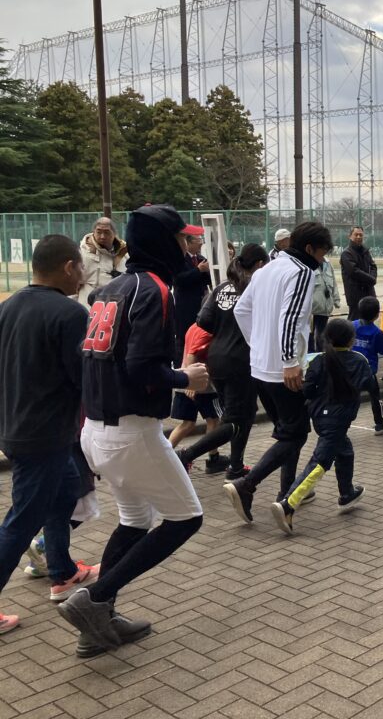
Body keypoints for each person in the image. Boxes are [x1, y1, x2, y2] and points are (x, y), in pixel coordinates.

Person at [61, 205, 208, 654]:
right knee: (186, 518)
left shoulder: (112, 287)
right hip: (131, 432)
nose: (186, 247)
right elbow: (141, 366)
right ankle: (95, 598)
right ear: (163, 242)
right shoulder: (153, 288)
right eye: (181, 238)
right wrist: (185, 377)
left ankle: (98, 622)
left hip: (97, 429)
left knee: (135, 520)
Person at [0, 236, 96, 636]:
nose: (83, 274)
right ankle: (55, 569)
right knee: (22, 521)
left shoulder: (8, 307)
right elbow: (82, 377)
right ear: (69, 267)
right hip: (44, 434)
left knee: (68, 488)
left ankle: (62, 571)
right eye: (81, 266)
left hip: (18, 427)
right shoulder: (70, 313)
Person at [224, 222, 332, 524]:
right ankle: (247, 485)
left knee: (288, 432)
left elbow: (241, 310)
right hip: (282, 370)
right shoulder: (302, 272)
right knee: (295, 434)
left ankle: (287, 493)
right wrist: (288, 360)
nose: (323, 260)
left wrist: (258, 345)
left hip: (259, 367)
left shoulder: (265, 270)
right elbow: (291, 318)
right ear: (309, 249)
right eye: (322, 253)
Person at [270, 319, 372, 535]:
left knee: (345, 451)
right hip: (338, 420)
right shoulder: (358, 361)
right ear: (352, 340)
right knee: (320, 463)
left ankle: (347, 493)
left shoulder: (318, 361)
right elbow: (370, 386)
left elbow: (307, 390)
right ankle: (288, 503)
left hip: (319, 418)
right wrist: (380, 418)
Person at [176, 243, 269, 479]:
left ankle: (235, 466)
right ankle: (187, 454)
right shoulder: (256, 288)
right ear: (260, 265)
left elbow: (203, 321)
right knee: (235, 420)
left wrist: (224, 329)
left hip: (217, 358)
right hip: (242, 360)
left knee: (243, 415)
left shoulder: (222, 288)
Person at [168, 225, 218, 467]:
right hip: (195, 375)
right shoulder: (181, 261)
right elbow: (179, 281)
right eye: (197, 239)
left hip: (193, 375)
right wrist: (188, 376)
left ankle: (212, 457)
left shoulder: (201, 259)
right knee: (206, 419)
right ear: (186, 242)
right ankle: (178, 457)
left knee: (200, 420)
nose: (201, 242)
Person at [352, 296, 383, 434]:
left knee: (350, 398)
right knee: (375, 398)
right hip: (368, 372)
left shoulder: (351, 326)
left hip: (351, 370)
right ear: (377, 315)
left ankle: (341, 423)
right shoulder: (377, 333)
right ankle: (379, 425)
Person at [77, 217, 128, 306]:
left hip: (116, 306)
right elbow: (73, 284)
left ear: (114, 233)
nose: (102, 236)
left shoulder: (124, 253)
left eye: (107, 232)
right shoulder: (83, 254)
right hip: (89, 306)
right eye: (99, 232)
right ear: (93, 232)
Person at [340, 226, 377, 320]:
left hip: (368, 291)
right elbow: (354, 271)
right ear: (350, 236)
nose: (359, 237)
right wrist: (371, 279)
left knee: (369, 318)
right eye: (356, 235)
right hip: (355, 294)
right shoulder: (347, 253)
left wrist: (373, 277)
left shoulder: (365, 251)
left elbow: (373, 266)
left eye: (361, 235)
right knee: (355, 319)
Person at [309, 257, 341, 351]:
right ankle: (310, 355)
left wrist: (336, 299)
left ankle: (321, 354)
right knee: (309, 334)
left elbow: (334, 282)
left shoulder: (327, 263)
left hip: (325, 307)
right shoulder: (307, 263)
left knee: (322, 335)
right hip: (311, 309)